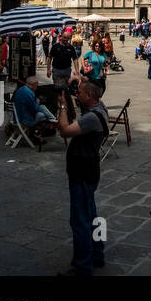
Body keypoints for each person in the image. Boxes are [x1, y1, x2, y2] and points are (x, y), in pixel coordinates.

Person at [57, 79, 109, 275]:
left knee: (79, 220)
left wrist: (62, 105)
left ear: (89, 96)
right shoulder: (100, 107)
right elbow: (96, 88)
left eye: (79, 92)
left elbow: (64, 131)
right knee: (92, 214)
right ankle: (97, 253)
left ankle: (83, 265)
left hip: (82, 171)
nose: (76, 95)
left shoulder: (91, 118)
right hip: (89, 169)